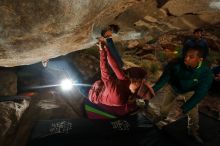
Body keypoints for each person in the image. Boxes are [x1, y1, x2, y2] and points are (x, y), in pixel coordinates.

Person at [146, 46, 213, 143]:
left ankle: (193, 131)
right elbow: (163, 80)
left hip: (190, 91)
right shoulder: (175, 64)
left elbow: (200, 94)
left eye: (191, 57)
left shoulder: (206, 73)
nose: (186, 58)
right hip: (173, 87)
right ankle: (156, 121)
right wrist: (150, 92)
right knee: (164, 109)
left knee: (193, 113)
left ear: (200, 59)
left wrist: (183, 108)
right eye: (186, 56)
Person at [88, 38, 155, 116]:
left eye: (139, 83)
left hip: (93, 93)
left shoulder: (118, 96)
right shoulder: (128, 82)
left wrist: (101, 51)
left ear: (135, 91)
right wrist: (106, 48)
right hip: (101, 85)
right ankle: (108, 39)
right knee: (119, 65)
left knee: (76, 77)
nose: (137, 80)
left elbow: (105, 74)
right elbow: (115, 67)